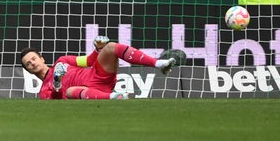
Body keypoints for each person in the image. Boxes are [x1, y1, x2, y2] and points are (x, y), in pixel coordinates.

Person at [20, 37, 186, 99]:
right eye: (28, 64)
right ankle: (115, 97)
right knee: (69, 91)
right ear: (28, 70)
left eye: (34, 58)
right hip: (85, 93)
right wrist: (57, 81)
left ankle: (159, 64)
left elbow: (90, 61)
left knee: (111, 47)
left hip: (97, 76)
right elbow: (56, 99)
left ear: (41, 58)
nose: (32, 63)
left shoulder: (62, 61)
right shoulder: (43, 92)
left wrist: (97, 48)